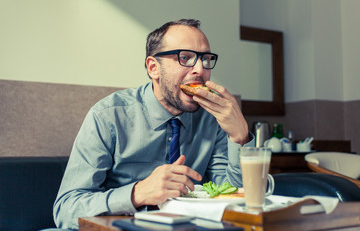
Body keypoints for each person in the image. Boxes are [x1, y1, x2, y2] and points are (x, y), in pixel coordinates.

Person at [53, 19, 254, 229]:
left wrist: (240, 138)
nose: (199, 70)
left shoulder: (213, 119)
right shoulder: (108, 117)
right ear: (153, 68)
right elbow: (66, 210)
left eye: (205, 59)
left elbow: (234, 198)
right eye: (185, 58)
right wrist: (137, 193)